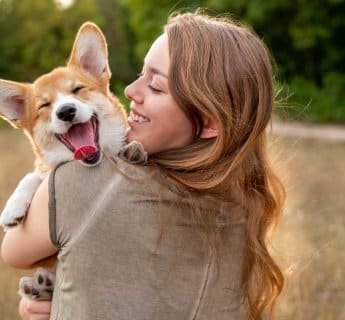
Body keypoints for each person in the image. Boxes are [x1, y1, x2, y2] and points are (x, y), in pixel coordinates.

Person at [1, 11, 285, 320]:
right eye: (141, 73)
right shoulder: (245, 207)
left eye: (157, 86)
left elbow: (13, 252)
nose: (129, 91)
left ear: (207, 122)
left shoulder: (80, 183)